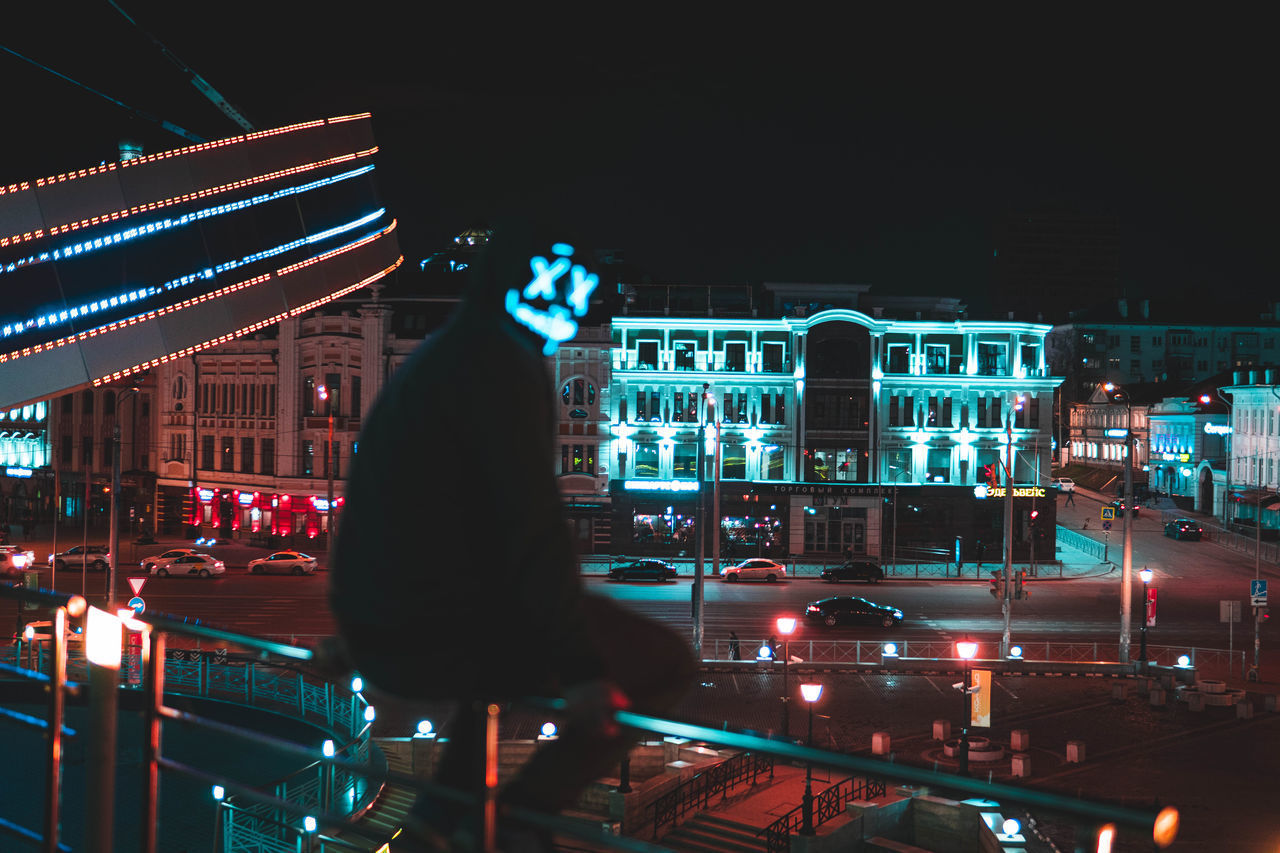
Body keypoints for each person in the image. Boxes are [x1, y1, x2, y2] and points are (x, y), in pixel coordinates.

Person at [329, 220, 695, 850]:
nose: (571, 305)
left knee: (492, 674)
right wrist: (581, 669)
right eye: (557, 287)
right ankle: (522, 818)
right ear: (511, 288)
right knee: (662, 663)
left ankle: (439, 825)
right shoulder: (505, 366)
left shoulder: (443, 357)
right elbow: (531, 526)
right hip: (432, 628)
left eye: (579, 293)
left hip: (387, 624)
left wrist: (354, 629)